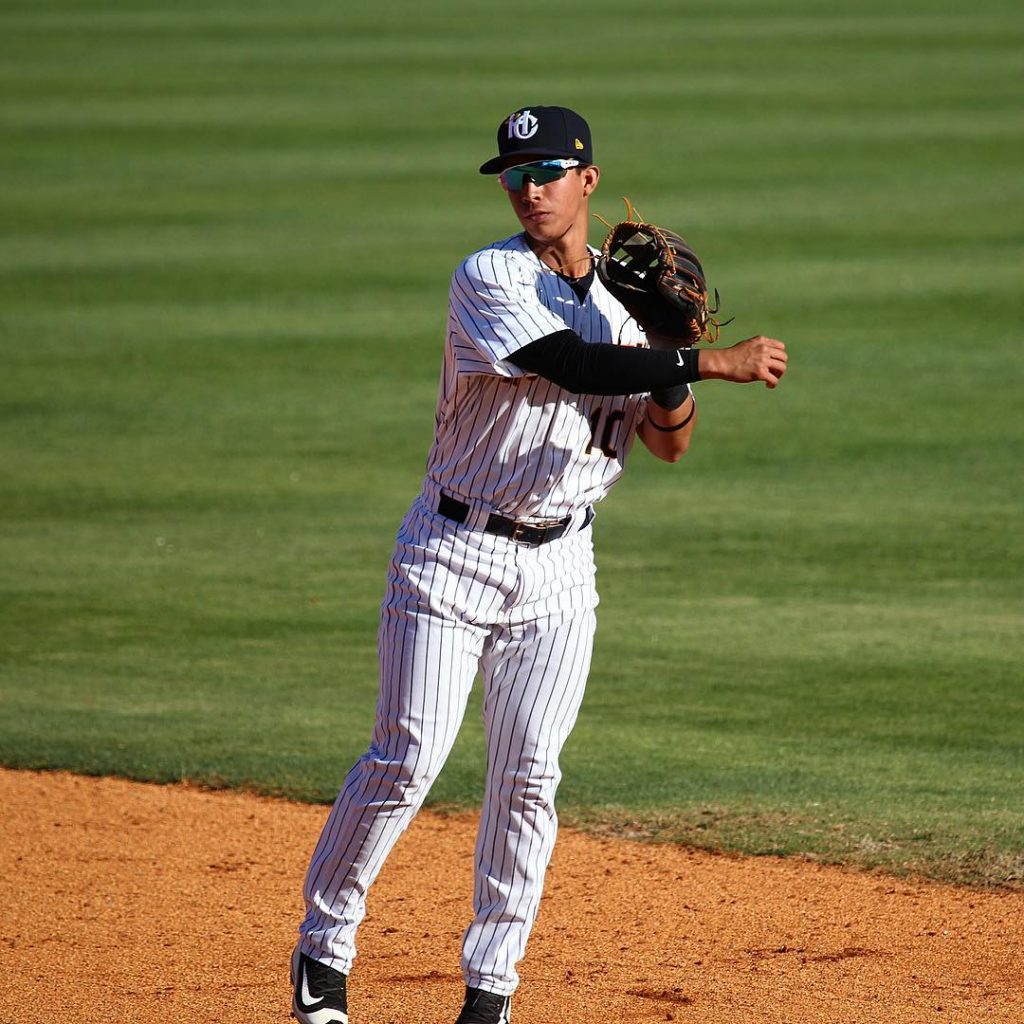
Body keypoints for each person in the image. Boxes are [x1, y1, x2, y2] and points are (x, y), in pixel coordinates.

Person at [291, 104, 787, 1024]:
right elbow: (566, 365)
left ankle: (492, 991)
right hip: (450, 552)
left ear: (588, 181)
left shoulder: (628, 308)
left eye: (547, 172)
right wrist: (706, 358)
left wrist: (670, 361)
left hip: (560, 570)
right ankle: (323, 956)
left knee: (528, 778)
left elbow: (669, 444)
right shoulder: (487, 276)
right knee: (405, 762)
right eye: (513, 176)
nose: (528, 191)